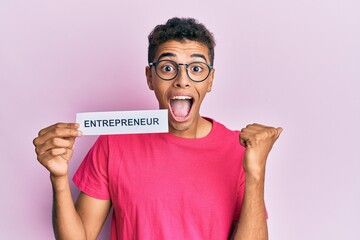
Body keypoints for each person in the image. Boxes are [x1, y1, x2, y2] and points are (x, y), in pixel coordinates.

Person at [33, 17, 282, 240]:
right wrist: (59, 179)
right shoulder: (113, 143)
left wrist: (256, 173)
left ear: (210, 80)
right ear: (150, 77)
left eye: (196, 69)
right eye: (167, 68)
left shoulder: (238, 150)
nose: (182, 80)